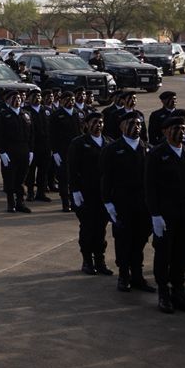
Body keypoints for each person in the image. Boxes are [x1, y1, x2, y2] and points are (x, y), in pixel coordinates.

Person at [144, 111, 185, 315]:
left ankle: (179, 291)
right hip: (166, 214)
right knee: (164, 254)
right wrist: (155, 215)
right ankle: (163, 293)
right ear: (166, 132)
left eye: (184, 128)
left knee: (182, 254)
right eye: (176, 129)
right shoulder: (157, 154)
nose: (181, 132)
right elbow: (150, 187)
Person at [101, 109, 152, 293]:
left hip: (142, 204)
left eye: (138, 124)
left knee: (140, 240)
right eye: (131, 123)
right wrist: (108, 202)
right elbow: (106, 178)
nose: (136, 127)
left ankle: (137, 275)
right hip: (122, 203)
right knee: (123, 240)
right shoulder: (113, 149)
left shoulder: (148, 148)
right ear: (122, 127)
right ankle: (124, 275)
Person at [67, 110, 113, 275]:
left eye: (100, 122)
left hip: (103, 194)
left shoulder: (108, 143)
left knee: (101, 228)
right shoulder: (78, 143)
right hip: (85, 193)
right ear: (86, 124)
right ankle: (87, 261)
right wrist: (75, 191)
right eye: (94, 122)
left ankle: (100, 261)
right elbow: (72, 169)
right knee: (87, 228)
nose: (98, 125)